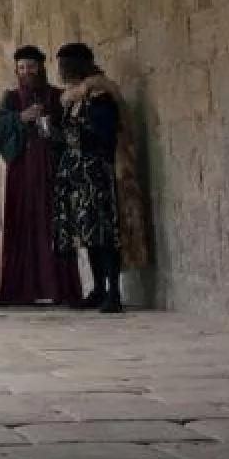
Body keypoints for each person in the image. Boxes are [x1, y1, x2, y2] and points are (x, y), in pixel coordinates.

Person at [52, 43, 151, 314]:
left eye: (64, 65)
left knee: (105, 233)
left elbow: (104, 132)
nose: (60, 71)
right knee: (87, 233)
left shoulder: (99, 95)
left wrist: (80, 134)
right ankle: (98, 288)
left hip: (98, 173)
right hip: (77, 173)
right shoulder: (72, 98)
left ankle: (113, 292)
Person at [0, 45, 82, 306]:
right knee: (22, 226)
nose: (26, 72)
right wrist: (21, 117)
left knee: (53, 226)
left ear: (40, 67)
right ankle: (21, 291)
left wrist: (51, 130)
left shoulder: (56, 96)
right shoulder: (10, 99)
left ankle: (59, 288)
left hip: (51, 172)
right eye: (21, 67)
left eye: (30, 66)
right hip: (21, 175)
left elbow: (70, 131)